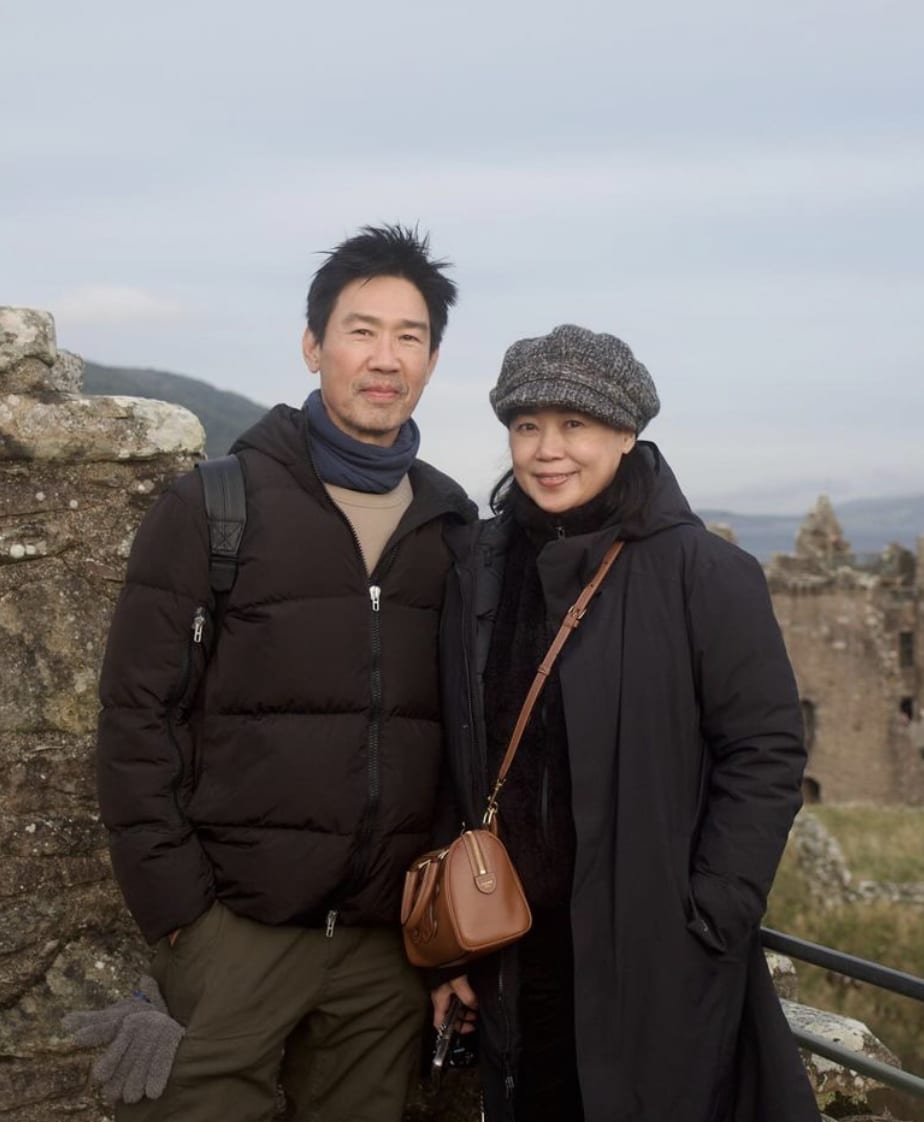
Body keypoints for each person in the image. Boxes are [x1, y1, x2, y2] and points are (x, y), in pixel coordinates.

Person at [94, 224, 476, 1121]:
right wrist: (181, 917)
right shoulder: (215, 504)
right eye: (361, 331)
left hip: (385, 955)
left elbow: (469, 735)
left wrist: (440, 937)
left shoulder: (453, 527)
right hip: (235, 935)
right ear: (313, 345)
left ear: (431, 361)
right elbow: (135, 716)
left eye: (410, 337)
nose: (385, 358)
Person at [432, 324, 820, 1122]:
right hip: (516, 955)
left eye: (574, 423)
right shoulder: (480, 569)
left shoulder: (706, 573)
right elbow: (459, 753)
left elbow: (766, 752)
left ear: (626, 433)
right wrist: (457, 945)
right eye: (527, 425)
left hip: (655, 956)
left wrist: (712, 913)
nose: (547, 450)